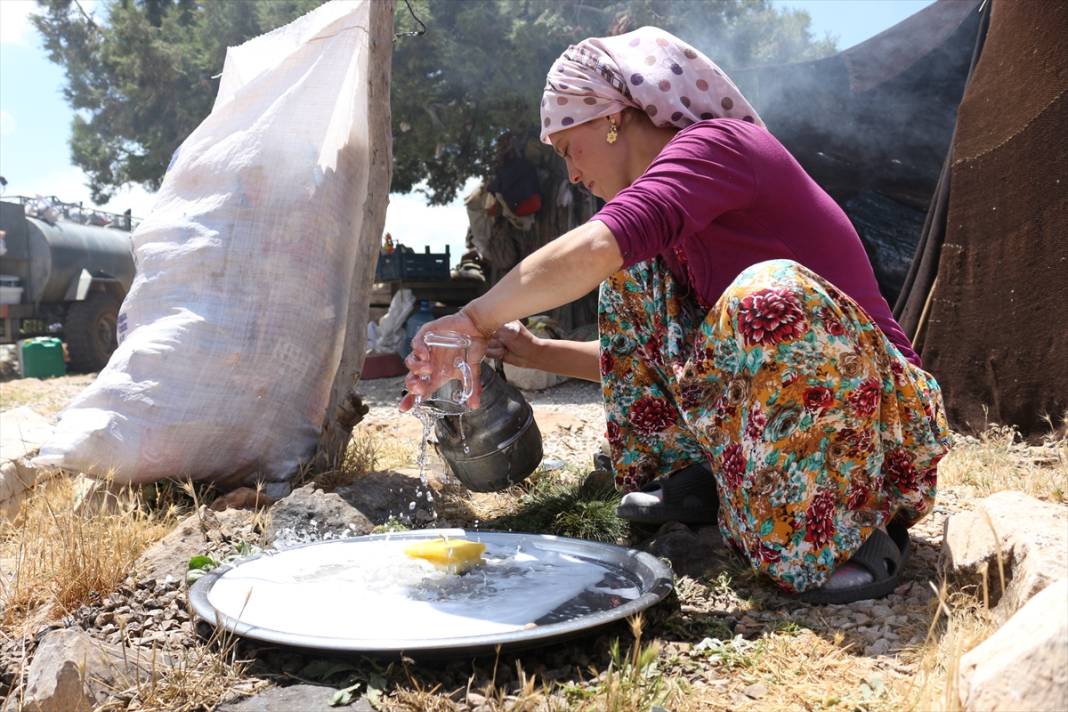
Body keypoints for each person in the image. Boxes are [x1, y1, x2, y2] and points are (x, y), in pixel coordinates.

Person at [400, 26, 950, 603]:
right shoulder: (677, 235)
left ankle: (855, 527)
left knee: (766, 296)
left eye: (568, 148)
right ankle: (693, 478)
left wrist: (473, 319)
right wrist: (540, 353)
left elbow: (592, 248)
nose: (572, 174)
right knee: (634, 275)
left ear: (611, 115)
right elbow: (688, 362)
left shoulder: (720, 147)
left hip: (885, 427)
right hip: (795, 415)